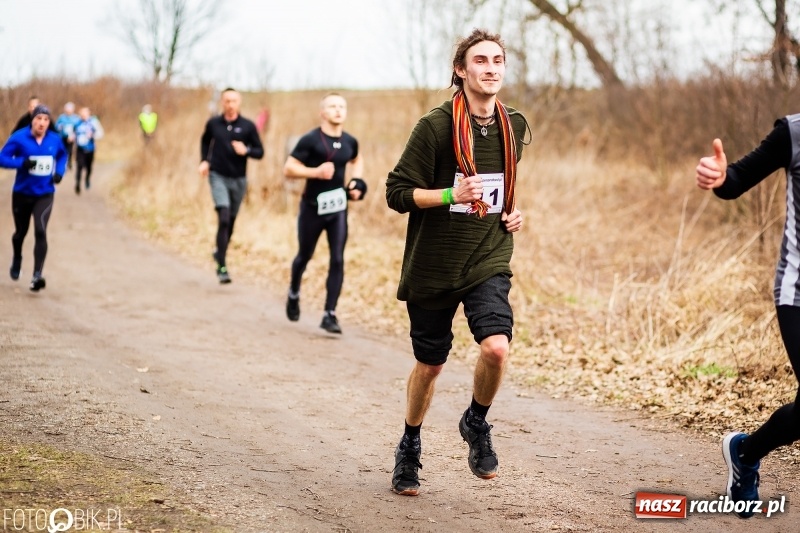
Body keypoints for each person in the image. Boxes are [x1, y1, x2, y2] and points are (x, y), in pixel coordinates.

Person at [385, 28, 528, 496]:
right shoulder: (435, 127)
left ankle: (476, 421)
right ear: (460, 71)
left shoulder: (514, 125)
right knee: (430, 366)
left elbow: (502, 185)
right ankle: (410, 442)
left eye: (498, 61)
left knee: (497, 348)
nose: (491, 68)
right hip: (434, 264)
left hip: (488, 256)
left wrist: (513, 211)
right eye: (481, 61)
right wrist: (450, 194)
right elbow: (396, 193)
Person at [696, 120, 800, 518]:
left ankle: (746, 451)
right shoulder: (792, 132)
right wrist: (720, 176)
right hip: (798, 293)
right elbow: (736, 179)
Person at [283, 93, 365, 334]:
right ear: (322, 112)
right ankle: (294, 291)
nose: (338, 110)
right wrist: (315, 172)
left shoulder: (350, 141)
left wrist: (356, 181)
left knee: (337, 258)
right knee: (304, 256)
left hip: (338, 207)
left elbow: (357, 159)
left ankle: (330, 313)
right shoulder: (310, 140)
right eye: (332, 106)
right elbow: (289, 168)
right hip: (312, 208)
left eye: (341, 106)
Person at [199, 88, 264, 284]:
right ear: (222, 102)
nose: (230, 104)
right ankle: (222, 266)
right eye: (227, 100)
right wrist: (204, 161)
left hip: (239, 179)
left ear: (239, 102)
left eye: (234, 100)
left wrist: (247, 150)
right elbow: (204, 141)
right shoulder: (213, 124)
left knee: (231, 223)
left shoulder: (248, 126)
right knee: (224, 217)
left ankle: (220, 252)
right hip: (217, 175)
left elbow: (260, 152)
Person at [0, 104, 67, 291]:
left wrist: (59, 172)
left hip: (45, 194)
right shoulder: (19, 138)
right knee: (20, 233)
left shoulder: (54, 139)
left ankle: (37, 276)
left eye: (46, 120)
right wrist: (21, 162)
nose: (42, 123)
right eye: (39, 119)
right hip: (22, 193)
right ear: (33, 120)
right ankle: (17, 258)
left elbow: (62, 155)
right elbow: (2, 158)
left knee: (40, 229)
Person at [73, 107, 104, 194]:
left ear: (89, 113)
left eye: (85, 113)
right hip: (80, 149)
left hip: (90, 149)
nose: (83, 115)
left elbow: (101, 133)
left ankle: (87, 179)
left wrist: (93, 135)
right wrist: (72, 137)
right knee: (79, 167)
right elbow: (73, 132)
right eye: (81, 113)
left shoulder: (93, 122)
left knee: (89, 168)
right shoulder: (77, 123)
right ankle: (77, 184)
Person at [55, 102, 80, 170]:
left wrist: (74, 135)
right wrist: (60, 127)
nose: (68, 111)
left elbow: (78, 128)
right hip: (62, 137)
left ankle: (69, 162)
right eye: (67, 109)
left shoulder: (76, 118)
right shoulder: (61, 117)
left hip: (71, 138)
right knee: (63, 150)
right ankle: (63, 162)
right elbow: (56, 126)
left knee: (70, 150)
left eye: (70, 109)